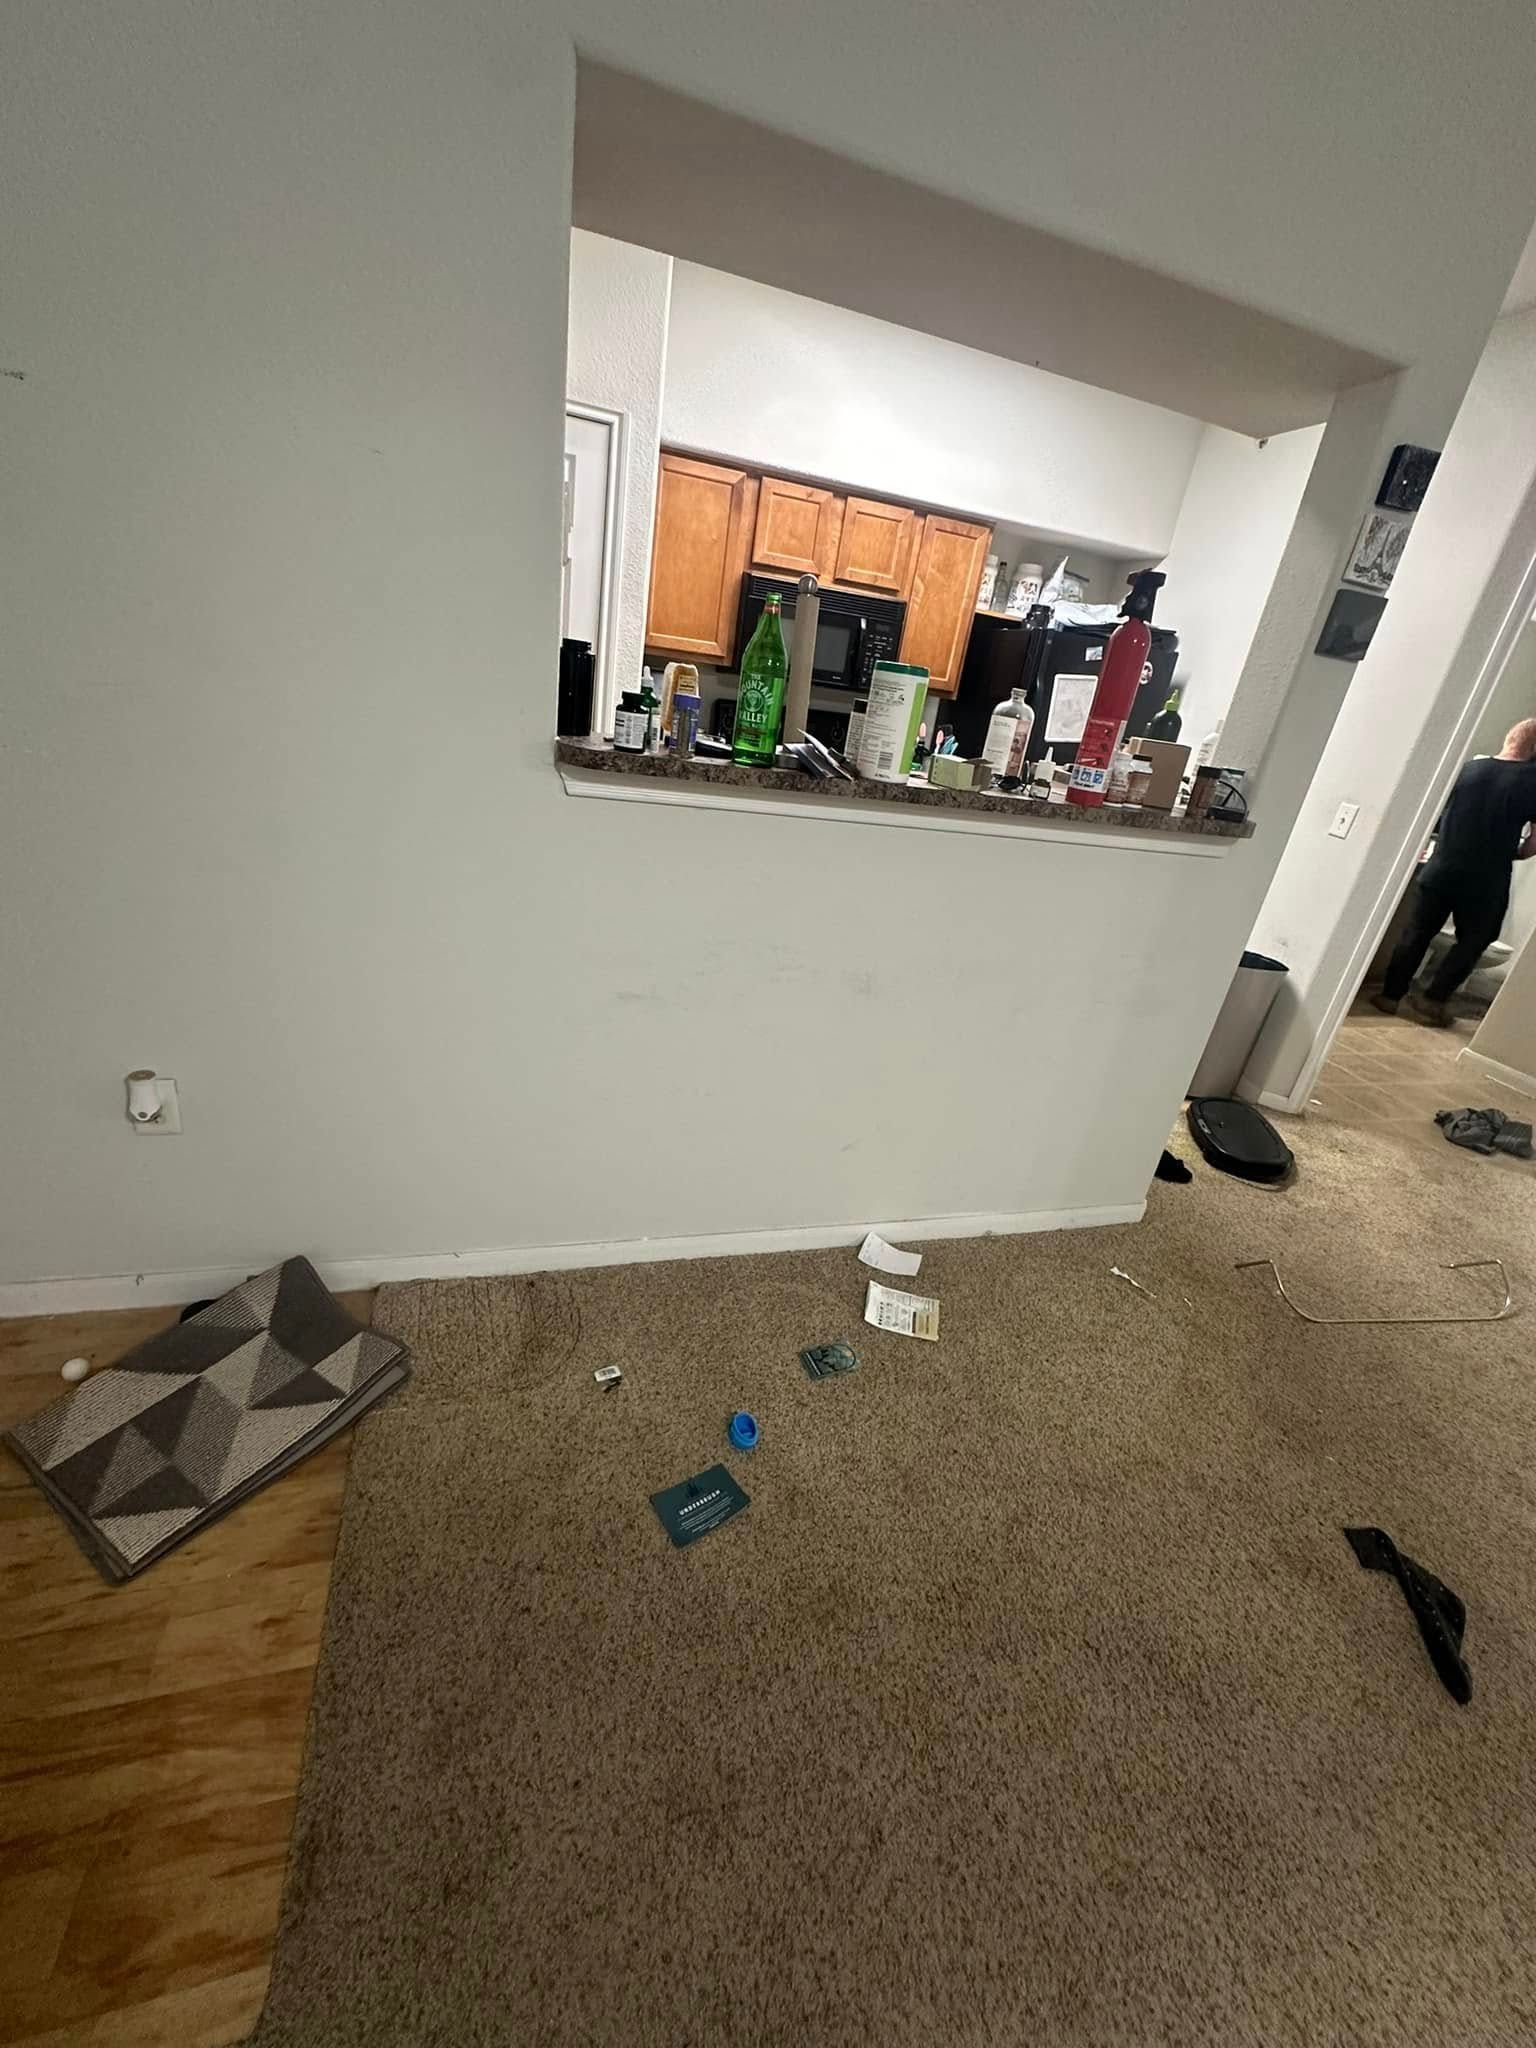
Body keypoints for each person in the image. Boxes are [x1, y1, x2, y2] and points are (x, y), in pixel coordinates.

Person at [1375, 718, 1536, 1025]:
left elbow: (1435, 816)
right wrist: (1517, 851)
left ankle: (1390, 996)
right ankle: (1432, 1001)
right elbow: (1533, 843)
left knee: (1417, 932)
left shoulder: (1467, 769)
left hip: (1441, 866)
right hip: (1486, 878)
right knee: (1476, 938)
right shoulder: (1532, 780)